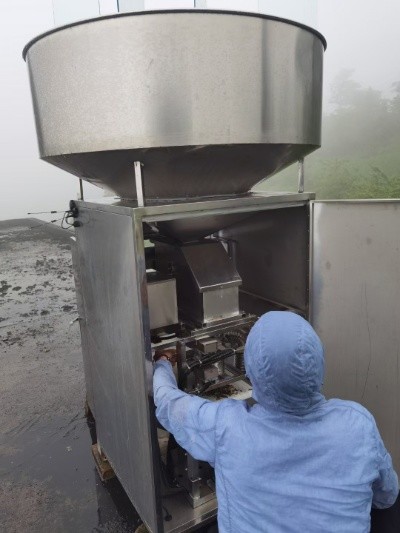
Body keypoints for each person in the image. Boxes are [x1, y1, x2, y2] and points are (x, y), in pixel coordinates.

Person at [153, 311, 398, 532]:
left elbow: (168, 403)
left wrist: (163, 362)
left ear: (251, 368)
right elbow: (387, 496)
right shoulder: (358, 424)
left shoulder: (227, 428)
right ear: (319, 362)